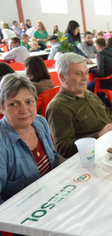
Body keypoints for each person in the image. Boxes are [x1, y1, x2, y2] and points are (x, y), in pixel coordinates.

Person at [46, 53, 112, 159]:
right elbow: (64, 149)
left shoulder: (88, 94)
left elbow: (107, 121)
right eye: (78, 74)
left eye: (86, 73)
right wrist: (98, 135)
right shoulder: (58, 107)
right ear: (63, 77)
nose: (85, 78)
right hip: (92, 157)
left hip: (110, 146)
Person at [0, 74, 59, 204]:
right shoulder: (2, 144)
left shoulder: (40, 122)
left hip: (52, 198)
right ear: (1, 108)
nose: (24, 110)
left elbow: (54, 161)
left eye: (29, 102)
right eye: (14, 104)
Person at [87, 38, 112, 103]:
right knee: (96, 82)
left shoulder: (101, 54)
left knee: (88, 86)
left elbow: (101, 74)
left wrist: (94, 72)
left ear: (97, 46)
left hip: (109, 81)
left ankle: (105, 102)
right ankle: (105, 101)